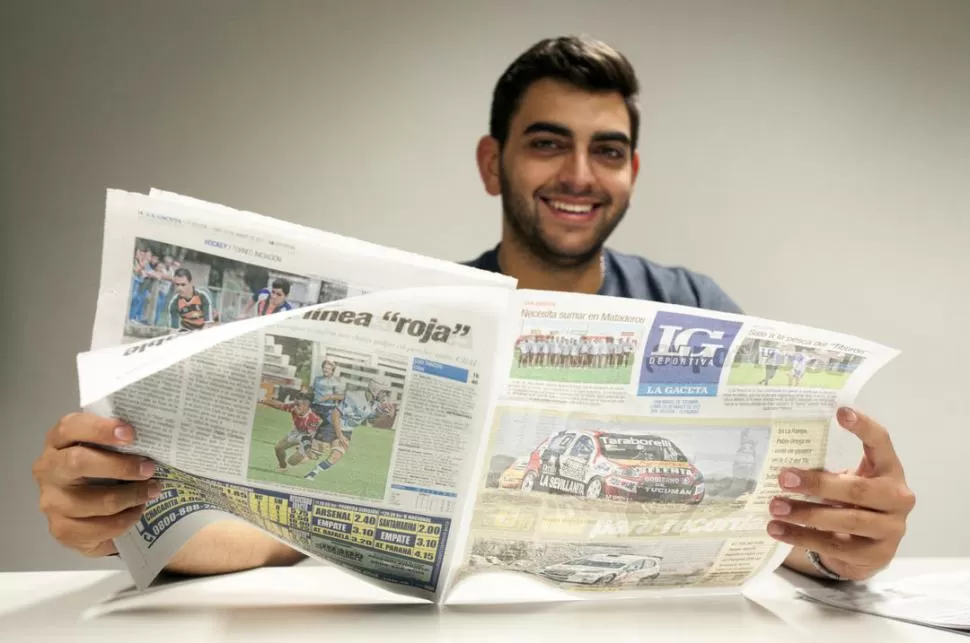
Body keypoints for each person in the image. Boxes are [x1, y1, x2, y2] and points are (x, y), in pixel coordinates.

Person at [31, 34, 914, 581]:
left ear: (632, 173)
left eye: (607, 150)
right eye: (547, 143)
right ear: (494, 164)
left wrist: (846, 543)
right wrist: (124, 525)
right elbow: (281, 539)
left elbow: (770, 528)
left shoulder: (697, 309)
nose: (578, 174)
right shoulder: (421, 318)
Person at [258, 390, 323, 470]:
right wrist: (262, 400)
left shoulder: (313, 418)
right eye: (295, 404)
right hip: (296, 431)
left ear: (306, 405)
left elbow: (310, 435)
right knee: (278, 448)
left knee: (292, 462)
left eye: (298, 405)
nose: (295, 407)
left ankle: (309, 456)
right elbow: (279, 405)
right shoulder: (293, 407)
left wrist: (304, 445)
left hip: (307, 436)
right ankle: (283, 466)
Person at [168, 267, 213, 332]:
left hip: (205, 332)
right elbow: (174, 330)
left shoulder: (203, 297)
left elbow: (208, 324)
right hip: (186, 333)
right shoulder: (174, 303)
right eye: (177, 284)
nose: (179, 288)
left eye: (183, 285)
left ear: (191, 282)